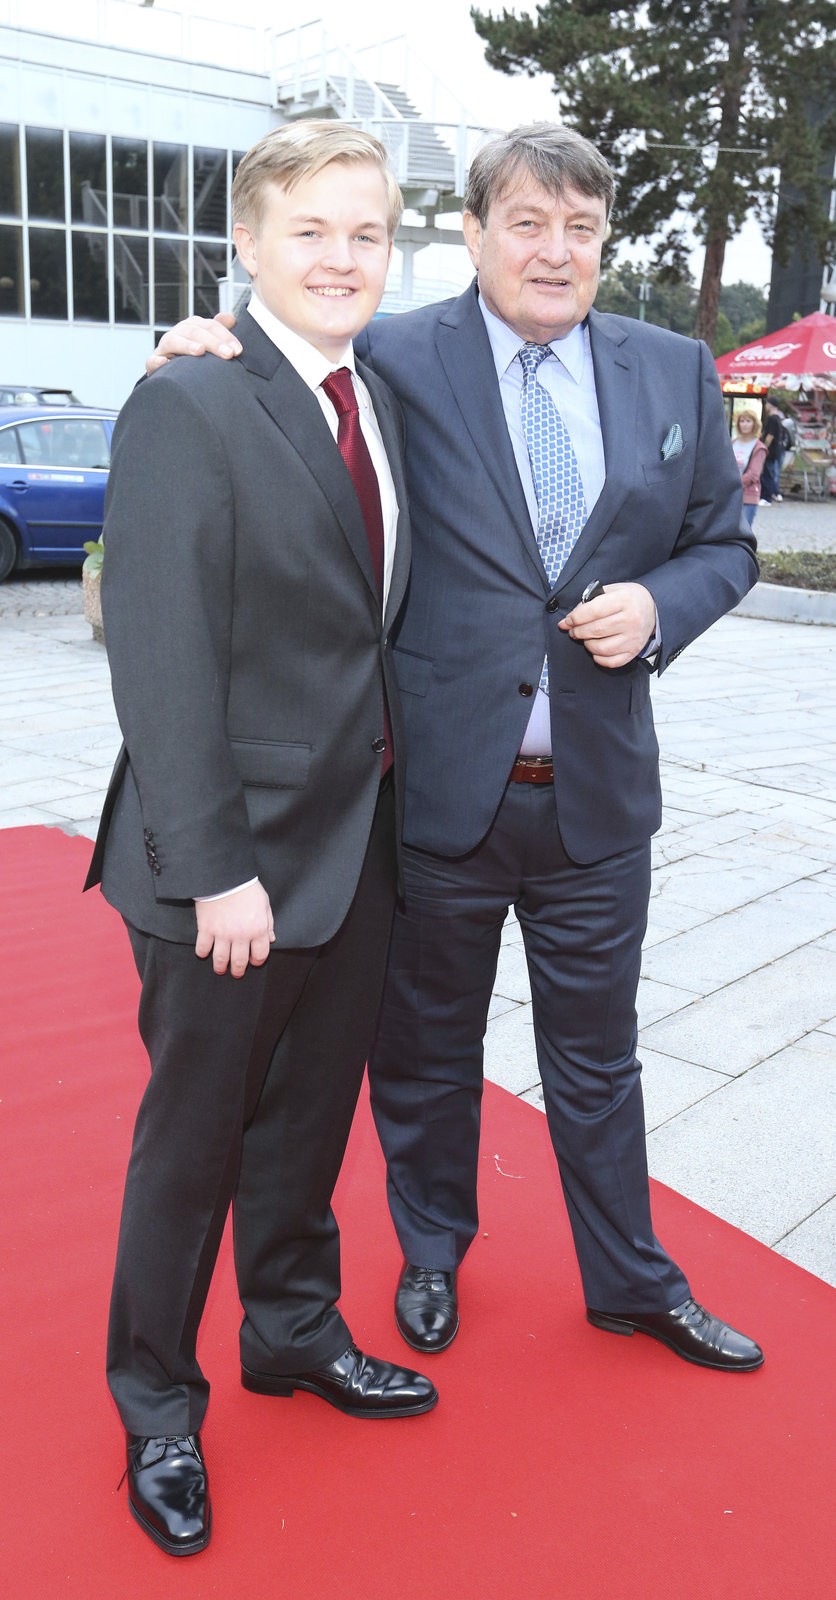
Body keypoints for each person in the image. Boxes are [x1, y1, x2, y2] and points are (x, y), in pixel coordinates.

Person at [150, 123, 763, 1378]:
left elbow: (726, 541)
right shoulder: (392, 354)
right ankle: (430, 1250)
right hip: (433, 795)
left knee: (598, 1061)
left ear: (603, 241)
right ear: (474, 233)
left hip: (596, 800)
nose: (554, 251)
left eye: (579, 228)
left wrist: (660, 607)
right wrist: (193, 339)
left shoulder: (671, 370)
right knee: (425, 1054)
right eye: (525, 223)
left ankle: (629, 1279)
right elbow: (280, 354)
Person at [86, 121, 438, 1560]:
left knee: (307, 1125)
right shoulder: (189, 400)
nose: (343, 259)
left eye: (368, 233)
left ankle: (290, 1329)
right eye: (312, 231)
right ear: (247, 243)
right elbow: (159, 655)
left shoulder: (377, 393)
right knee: (192, 1148)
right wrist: (215, 868)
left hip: (356, 845)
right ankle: (157, 1410)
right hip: (224, 868)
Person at [732, 407, 768, 525]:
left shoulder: (759, 447)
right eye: (742, 421)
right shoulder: (732, 443)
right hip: (730, 496)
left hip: (748, 495)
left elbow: (754, 474)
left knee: (744, 529)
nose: (745, 424)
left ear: (754, 424)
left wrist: (734, 485)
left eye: (748, 421)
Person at [760, 396, 785, 502]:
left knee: (767, 473)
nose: (765, 406)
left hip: (770, 451)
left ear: (771, 405)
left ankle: (768, 496)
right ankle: (775, 493)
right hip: (776, 450)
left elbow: (770, 435)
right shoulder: (778, 418)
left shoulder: (772, 419)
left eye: (767, 403)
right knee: (771, 472)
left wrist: (764, 448)